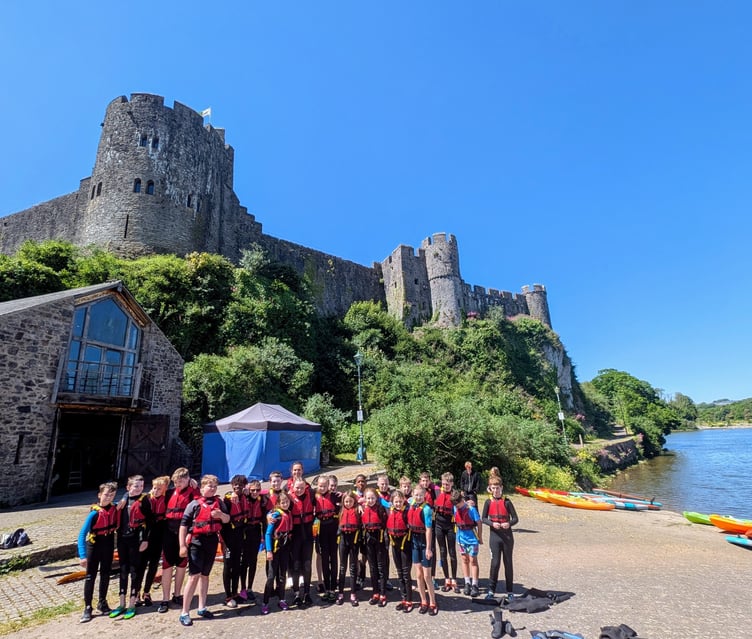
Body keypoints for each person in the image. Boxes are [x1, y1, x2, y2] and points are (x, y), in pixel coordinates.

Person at [178, 474, 230, 626]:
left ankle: (202, 607)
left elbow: (227, 519)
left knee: (205, 575)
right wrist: (182, 545)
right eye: (209, 486)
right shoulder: (193, 504)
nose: (212, 489)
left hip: (212, 540)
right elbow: (183, 525)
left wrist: (220, 515)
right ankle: (185, 612)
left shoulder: (218, 502)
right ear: (202, 488)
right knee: (194, 576)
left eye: (214, 486)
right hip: (196, 542)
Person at [110, 474, 152, 620]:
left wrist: (145, 540)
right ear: (128, 487)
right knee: (123, 570)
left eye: (141, 486)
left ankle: (132, 603)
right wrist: (124, 496)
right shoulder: (124, 499)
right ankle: (121, 603)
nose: (139, 489)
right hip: (122, 538)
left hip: (136, 539)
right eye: (136, 486)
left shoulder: (144, 500)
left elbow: (150, 522)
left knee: (134, 570)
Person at [77, 481, 119, 622]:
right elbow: (82, 535)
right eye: (106, 495)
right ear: (100, 495)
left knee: (106, 574)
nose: (109, 498)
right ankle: (88, 607)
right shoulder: (94, 514)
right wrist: (82, 556)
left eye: (112, 495)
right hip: (94, 547)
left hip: (108, 545)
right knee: (90, 577)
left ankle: (102, 602)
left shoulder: (115, 508)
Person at [159, 468, 199, 613]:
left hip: (184, 532)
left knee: (182, 564)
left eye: (181, 481)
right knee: (167, 565)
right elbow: (154, 493)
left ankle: (177, 594)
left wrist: (194, 484)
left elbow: (197, 511)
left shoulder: (193, 493)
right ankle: (165, 599)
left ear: (188, 479)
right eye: (176, 482)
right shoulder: (169, 493)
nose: (178, 484)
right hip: (169, 532)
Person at [482, 478, 519, 600]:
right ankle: (491, 590)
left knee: (508, 563)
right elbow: (483, 518)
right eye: (494, 488)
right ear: (490, 489)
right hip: (495, 536)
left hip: (507, 537)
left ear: (501, 488)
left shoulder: (507, 502)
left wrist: (509, 524)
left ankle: (510, 591)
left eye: (498, 488)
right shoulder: (488, 502)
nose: (496, 490)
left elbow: (515, 518)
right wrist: (492, 524)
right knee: (495, 563)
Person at [138, 475, 170, 607]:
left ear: (164, 490)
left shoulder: (168, 497)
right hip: (147, 534)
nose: (155, 491)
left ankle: (146, 592)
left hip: (159, 534)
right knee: (140, 566)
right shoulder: (145, 499)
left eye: (159, 489)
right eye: (154, 488)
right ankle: (136, 592)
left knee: (153, 566)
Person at [262, 490, 294, 615]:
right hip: (274, 550)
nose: (285, 504)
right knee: (271, 577)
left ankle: (282, 599)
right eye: (283, 502)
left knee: (282, 575)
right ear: (278, 504)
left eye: (287, 501)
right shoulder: (275, 515)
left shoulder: (289, 513)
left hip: (285, 548)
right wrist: (269, 551)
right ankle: (265, 602)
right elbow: (268, 533)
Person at [408, 486, 438, 616]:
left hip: (424, 542)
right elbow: (393, 501)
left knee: (427, 575)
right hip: (414, 542)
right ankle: (423, 601)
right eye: (416, 495)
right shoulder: (411, 503)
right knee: (418, 575)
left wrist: (428, 548)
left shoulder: (426, 509)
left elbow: (429, 529)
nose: (418, 497)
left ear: (425, 495)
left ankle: (433, 602)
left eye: (420, 495)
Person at [221, 475, 249, 608]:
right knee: (228, 566)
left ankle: (235, 592)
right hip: (228, 538)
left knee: (237, 565)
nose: (237, 487)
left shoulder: (244, 498)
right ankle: (227, 596)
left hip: (238, 536)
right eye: (235, 485)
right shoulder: (227, 499)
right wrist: (229, 494)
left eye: (240, 485)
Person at [313, 474, 340, 601]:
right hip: (321, 529)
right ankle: (327, 587)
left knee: (333, 558)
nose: (322, 488)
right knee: (324, 559)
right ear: (317, 486)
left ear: (328, 486)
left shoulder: (335, 496)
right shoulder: (314, 497)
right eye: (320, 486)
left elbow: (351, 501)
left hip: (333, 529)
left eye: (325, 486)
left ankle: (333, 588)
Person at [452, 489, 483, 597]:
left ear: (462, 500)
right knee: (464, 560)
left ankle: (475, 584)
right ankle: (467, 582)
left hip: (472, 539)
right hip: (461, 539)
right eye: (455, 505)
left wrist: (480, 536)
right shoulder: (455, 508)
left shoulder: (471, 509)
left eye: (458, 504)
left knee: (473, 560)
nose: (457, 507)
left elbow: (479, 523)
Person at [386, 489, 413, 612]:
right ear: (392, 502)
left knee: (406, 573)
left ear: (403, 501)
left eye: (400, 501)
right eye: (396, 502)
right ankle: (403, 598)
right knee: (399, 572)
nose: (398, 504)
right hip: (394, 544)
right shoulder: (389, 511)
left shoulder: (407, 512)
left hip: (405, 544)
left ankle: (409, 600)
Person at [290, 478, 315, 606]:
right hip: (295, 537)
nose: (299, 490)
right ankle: (296, 594)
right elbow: (276, 507)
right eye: (297, 488)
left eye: (301, 488)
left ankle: (306, 593)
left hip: (308, 536)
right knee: (295, 565)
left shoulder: (311, 495)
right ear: (293, 487)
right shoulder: (288, 499)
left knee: (307, 565)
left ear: (306, 487)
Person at [240, 478, 266, 603]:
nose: (255, 492)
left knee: (253, 561)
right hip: (245, 531)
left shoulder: (262, 501)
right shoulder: (244, 499)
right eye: (253, 490)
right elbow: (231, 494)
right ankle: (243, 588)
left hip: (255, 531)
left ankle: (250, 588)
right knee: (244, 561)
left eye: (257, 490)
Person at [433, 472, 460, 593]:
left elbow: (462, 507)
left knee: (452, 552)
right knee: (442, 552)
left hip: (450, 525)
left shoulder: (456, 495)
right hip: (439, 524)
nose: (445, 486)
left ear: (452, 483)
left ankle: (454, 580)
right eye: (443, 484)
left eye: (448, 484)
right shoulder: (438, 493)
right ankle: (446, 579)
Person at [362, 487, 388, 607]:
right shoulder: (363, 509)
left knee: (380, 566)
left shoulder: (381, 509)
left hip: (379, 538)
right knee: (372, 567)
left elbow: (386, 523)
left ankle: (383, 593)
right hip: (368, 538)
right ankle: (375, 592)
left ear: (376, 499)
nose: (370, 500)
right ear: (365, 499)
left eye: (372, 498)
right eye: (368, 498)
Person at [336, 490, 361, 606]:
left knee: (352, 567)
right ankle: (340, 593)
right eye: (346, 501)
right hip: (343, 540)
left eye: (350, 501)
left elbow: (362, 500)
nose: (348, 503)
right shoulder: (341, 510)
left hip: (354, 541)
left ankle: (353, 594)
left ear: (354, 501)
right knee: (342, 567)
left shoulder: (357, 510)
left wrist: (359, 503)